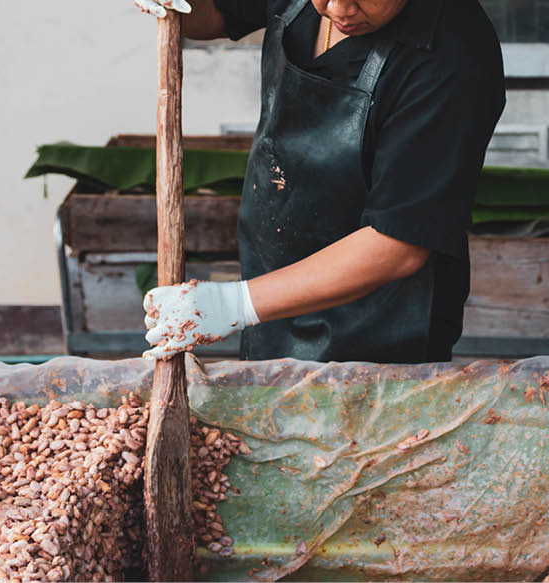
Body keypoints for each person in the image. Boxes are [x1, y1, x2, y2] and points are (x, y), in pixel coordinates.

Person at [138, 0, 505, 364]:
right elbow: (213, 15)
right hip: (270, 288)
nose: (338, 10)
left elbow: (399, 242)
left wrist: (233, 305)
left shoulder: (454, 56)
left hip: (380, 333)